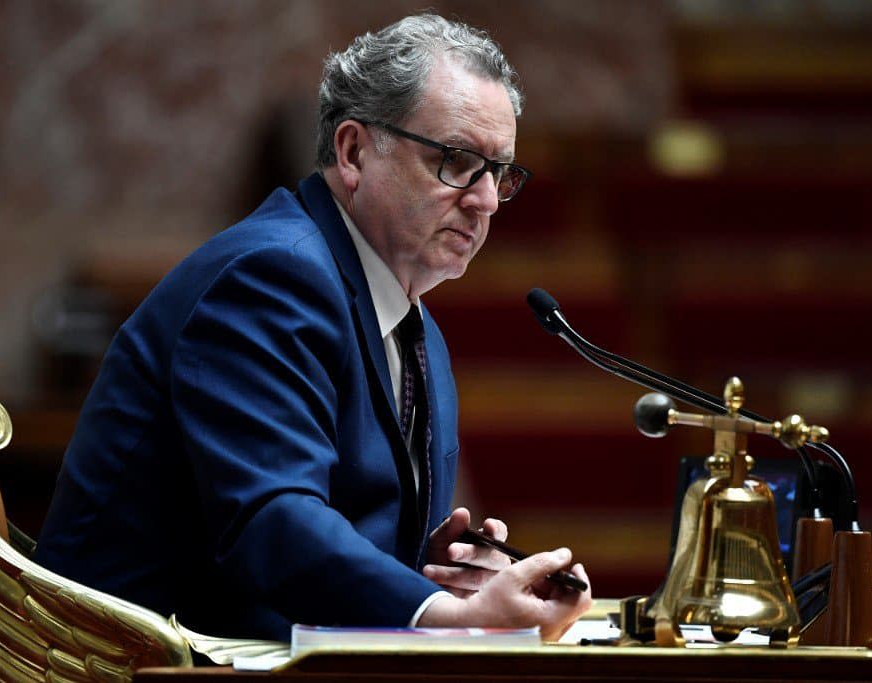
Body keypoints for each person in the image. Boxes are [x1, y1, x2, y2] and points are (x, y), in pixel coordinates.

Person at [35, 13, 592, 642]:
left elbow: (341, 539)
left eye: (501, 172)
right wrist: (446, 616)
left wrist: (444, 575)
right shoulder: (270, 278)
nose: (487, 200)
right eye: (458, 161)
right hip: (131, 663)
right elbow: (272, 518)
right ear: (354, 151)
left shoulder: (413, 323)